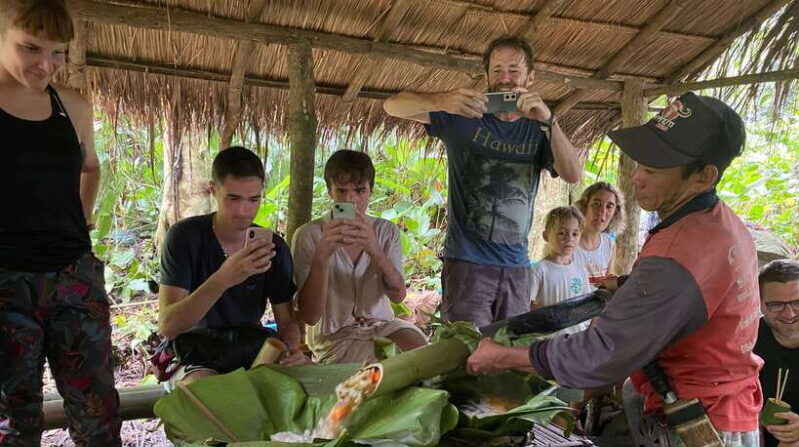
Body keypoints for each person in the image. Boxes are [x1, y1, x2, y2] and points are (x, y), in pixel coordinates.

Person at [466, 92, 763, 447]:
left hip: (703, 430)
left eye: (653, 170)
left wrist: (504, 357)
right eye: (640, 164)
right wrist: (628, 286)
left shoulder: (680, 255)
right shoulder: (717, 221)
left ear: (703, 177)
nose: (636, 177)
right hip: (716, 407)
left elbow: (603, 354)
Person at [0, 2, 151, 447]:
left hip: (73, 275)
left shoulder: (72, 105)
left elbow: (90, 167)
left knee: (95, 403)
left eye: (58, 53)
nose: (46, 64)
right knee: (13, 417)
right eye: (30, 48)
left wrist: (79, 226)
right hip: (4, 282)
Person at [383, 36, 581, 328]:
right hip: (467, 264)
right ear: (486, 75)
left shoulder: (539, 129)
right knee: (466, 347)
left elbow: (573, 174)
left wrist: (550, 121)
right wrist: (443, 101)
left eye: (514, 70)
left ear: (530, 77)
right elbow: (392, 105)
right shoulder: (463, 116)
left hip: (516, 266)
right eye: (497, 69)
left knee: (509, 347)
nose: (505, 78)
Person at [158, 146, 307, 385]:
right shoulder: (185, 237)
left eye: (253, 200)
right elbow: (169, 326)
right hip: (192, 351)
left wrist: (291, 350)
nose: (243, 211)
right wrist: (225, 277)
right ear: (213, 190)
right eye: (233, 198)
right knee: (207, 388)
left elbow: (287, 321)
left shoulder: (272, 248)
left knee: (300, 382)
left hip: (248, 347)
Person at [292, 150, 427, 363]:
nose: (351, 200)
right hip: (335, 338)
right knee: (392, 361)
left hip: (382, 326)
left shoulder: (385, 231)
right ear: (330, 192)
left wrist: (374, 249)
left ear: (371, 190)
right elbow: (310, 316)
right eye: (341, 191)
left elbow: (398, 296)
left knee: (424, 352)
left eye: (360, 190)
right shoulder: (309, 235)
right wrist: (322, 257)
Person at [750, 259, 799, 447]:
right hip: (763, 445)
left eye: (798, 302)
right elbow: (745, 412)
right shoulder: (750, 339)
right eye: (776, 305)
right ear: (760, 303)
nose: (789, 313)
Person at [530, 206, 591, 334]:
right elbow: (527, 304)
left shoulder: (581, 271)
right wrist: (550, 315)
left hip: (576, 336)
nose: (569, 238)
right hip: (549, 338)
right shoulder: (540, 269)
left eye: (575, 234)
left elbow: (587, 304)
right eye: (562, 233)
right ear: (546, 236)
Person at [573, 181, 625, 287]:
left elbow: (607, 285)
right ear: (585, 206)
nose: (602, 211)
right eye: (596, 204)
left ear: (615, 213)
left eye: (609, 206)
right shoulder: (568, 241)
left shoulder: (609, 244)